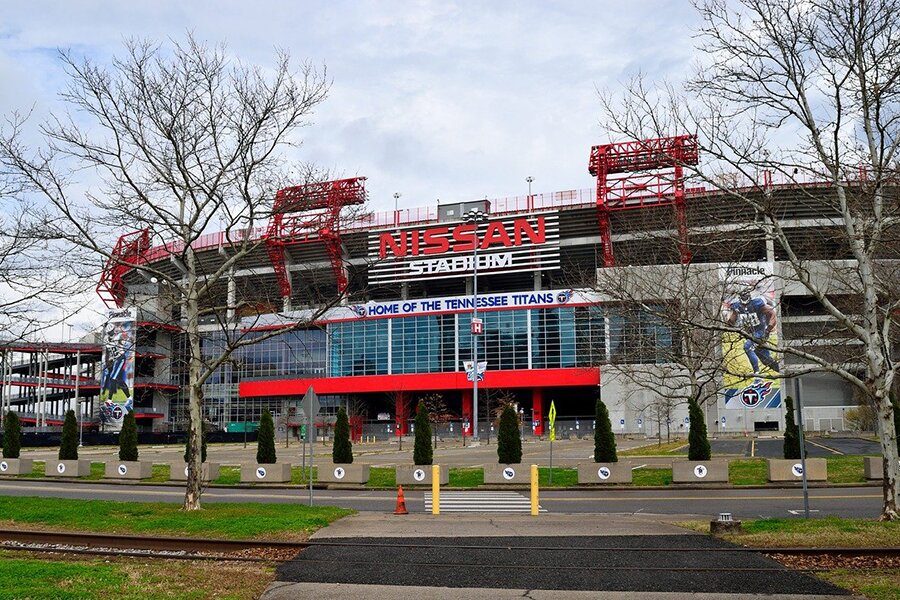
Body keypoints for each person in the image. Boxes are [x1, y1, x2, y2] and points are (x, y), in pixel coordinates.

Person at [727, 290, 779, 374]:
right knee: (766, 360)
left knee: (747, 346)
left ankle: (756, 372)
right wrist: (727, 325)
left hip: (760, 331)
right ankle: (783, 371)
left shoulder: (757, 304)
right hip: (750, 333)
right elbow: (732, 319)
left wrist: (768, 330)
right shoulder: (737, 306)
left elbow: (772, 314)